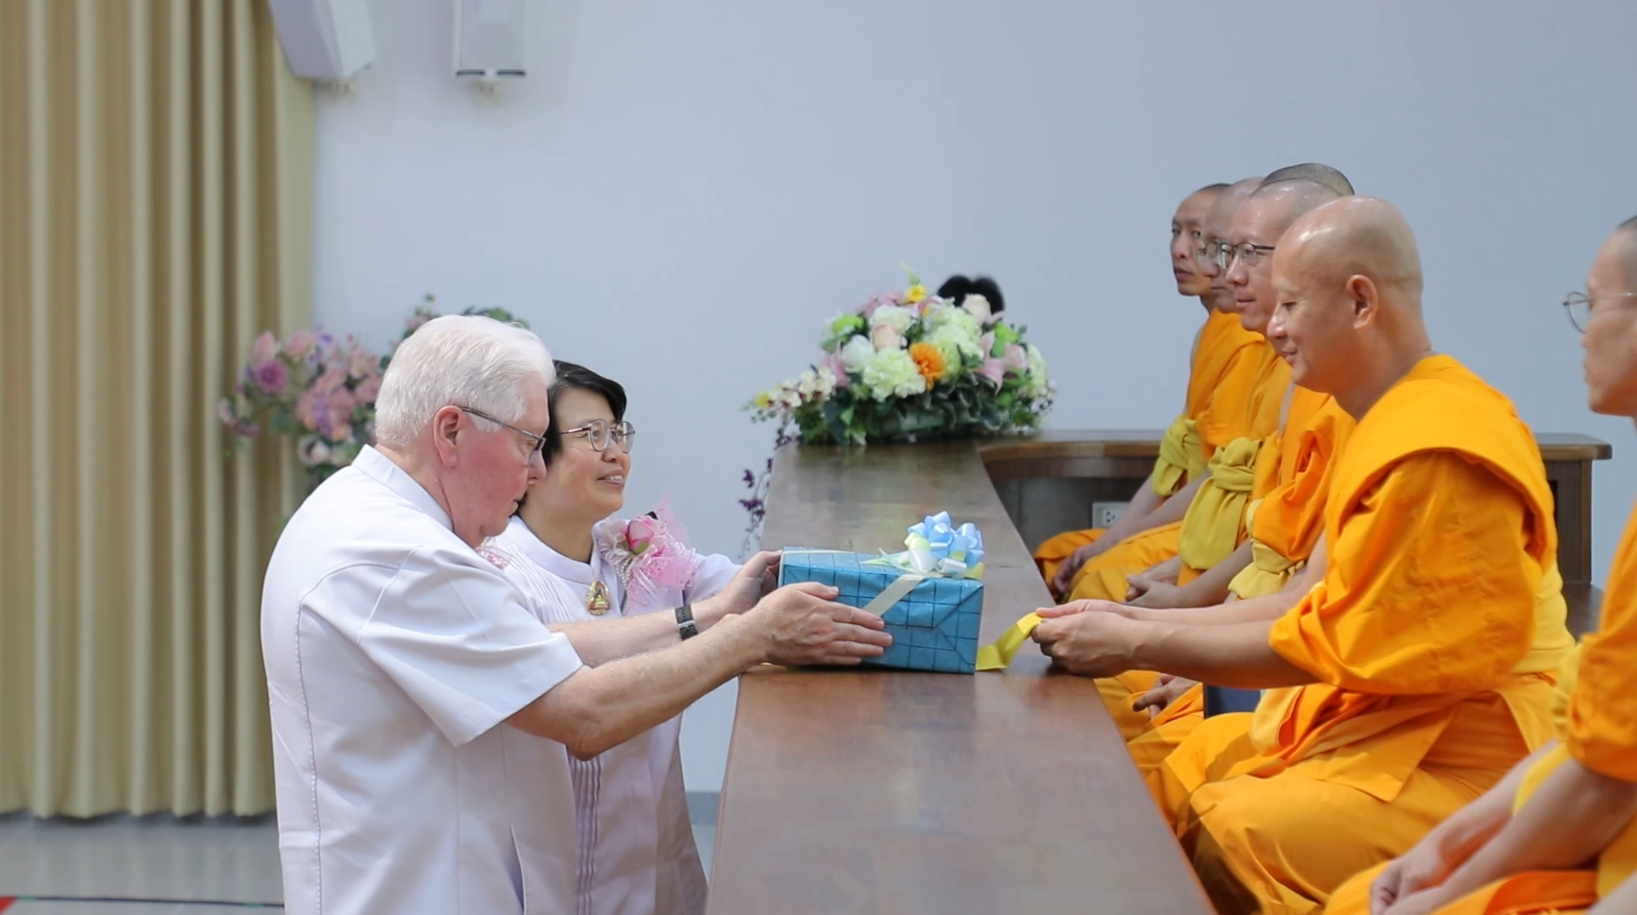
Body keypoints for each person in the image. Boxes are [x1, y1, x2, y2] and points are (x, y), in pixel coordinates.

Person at [1031, 198, 1572, 915]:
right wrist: (1126, 625)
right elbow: (1308, 597)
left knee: (1235, 825)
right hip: (1380, 718)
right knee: (1186, 771)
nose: (1273, 326)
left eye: (1288, 302)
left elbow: (1335, 639)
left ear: (1358, 301)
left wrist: (1136, 637)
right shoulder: (1377, 414)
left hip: (1460, 750)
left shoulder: (1437, 444)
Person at [261, 316, 893, 915]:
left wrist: (713, 617)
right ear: (451, 431)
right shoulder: (401, 556)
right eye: (530, 444)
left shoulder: (355, 512)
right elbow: (582, 714)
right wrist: (750, 635)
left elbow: (542, 646)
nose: (536, 469)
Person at [1323, 216, 1637, 915]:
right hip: (1558, 787)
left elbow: (1607, 778)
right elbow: (1594, 738)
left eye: (1594, 304)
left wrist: (1449, 888)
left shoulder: (1443, 437)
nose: (1582, 333)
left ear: (1358, 300)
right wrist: (1444, 848)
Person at [1092, 177, 1356, 767]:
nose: (1225, 272)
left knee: (1138, 761)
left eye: (1245, 254)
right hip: (1264, 631)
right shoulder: (1307, 383)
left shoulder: (1389, 418)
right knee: (1094, 698)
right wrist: (1178, 619)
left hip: (1316, 681)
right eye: (1221, 251)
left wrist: (1192, 645)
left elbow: (1316, 597)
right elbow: (1273, 538)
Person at [479, 361, 732, 915]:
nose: (616, 451)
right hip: (562, 879)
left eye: (618, 432)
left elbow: (738, 587)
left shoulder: (633, 546)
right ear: (533, 458)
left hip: (658, 860)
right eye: (591, 435)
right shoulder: (496, 573)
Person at [1059, 177, 1290, 604]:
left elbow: (1276, 517)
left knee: (1097, 583)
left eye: (1206, 240)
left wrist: (1185, 591)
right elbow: (1206, 464)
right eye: (1218, 249)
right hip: (1221, 534)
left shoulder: (1265, 348)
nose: (1191, 254)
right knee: (1066, 564)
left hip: (1241, 548)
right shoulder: (1226, 336)